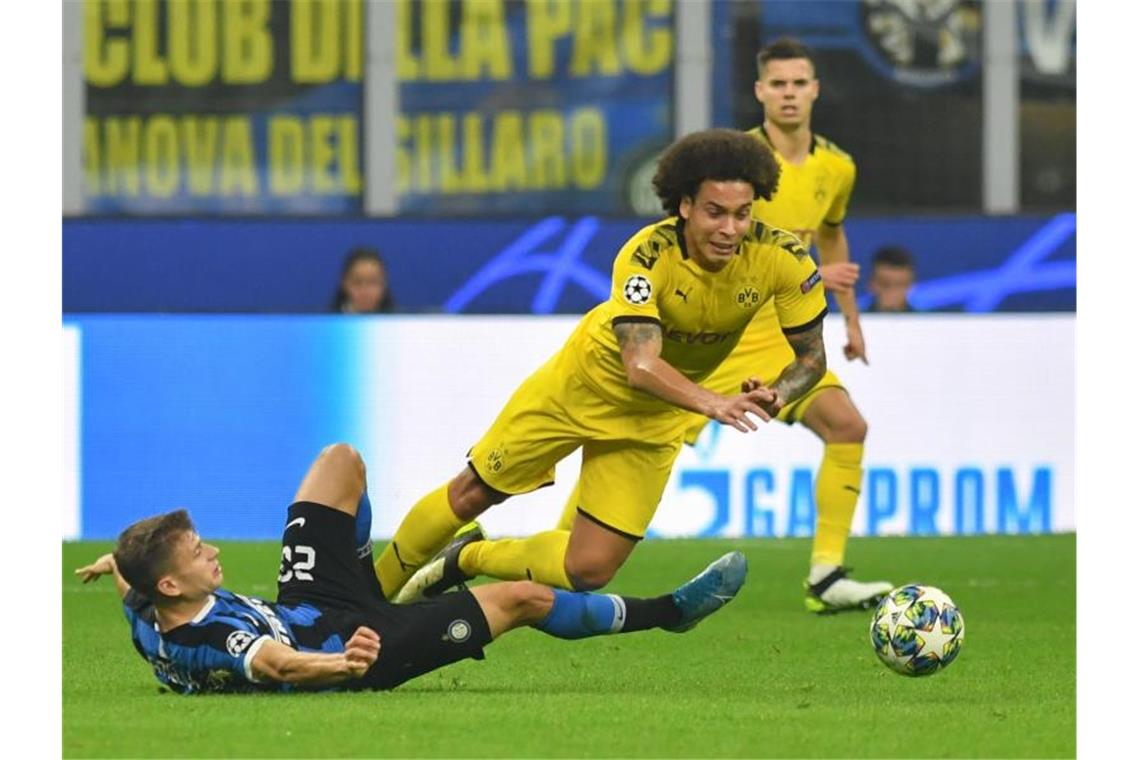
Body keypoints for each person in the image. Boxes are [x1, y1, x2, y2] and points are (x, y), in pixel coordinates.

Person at [376, 128, 828, 604]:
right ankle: (366, 598)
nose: (730, 229)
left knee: (589, 569)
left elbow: (812, 359)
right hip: (582, 385)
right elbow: (640, 364)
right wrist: (714, 402)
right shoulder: (645, 256)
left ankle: (466, 559)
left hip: (656, 415)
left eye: (742, 214)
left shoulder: (782, 258)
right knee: (473, 492)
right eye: (715, 212)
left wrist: (778, 393)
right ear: (685, 206)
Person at [542, 38, 888, 615]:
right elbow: (710, 243)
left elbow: (830, 235)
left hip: (782, 333)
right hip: (715, 332)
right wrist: (814, 269)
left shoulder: (838, 167)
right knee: (628, 438)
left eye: (799, 83)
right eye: (777, 84)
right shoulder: (736, 166)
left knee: (847, 425)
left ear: (815, 90)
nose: (789, 94)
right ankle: (558, 560)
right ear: (760, 92)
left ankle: (826, 575)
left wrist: (850, 321)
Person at [74, 444, 747, 695]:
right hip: (356, 647)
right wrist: (343, 666)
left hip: (309, 602)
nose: (212, 551)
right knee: (522, 598)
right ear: (175, 584)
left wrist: (117, 563)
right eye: (198, 553)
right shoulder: (214, 640)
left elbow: (136, 591)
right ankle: (669, 614)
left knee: (339, 464)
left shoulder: (149, 613)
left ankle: (394, 582)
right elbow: (277, 664)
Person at [331, 247, 394, 313]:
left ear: (384, 284)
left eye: (373, 282)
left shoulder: (398, 321)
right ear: (344, 284)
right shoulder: (327, 321)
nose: (365, 292)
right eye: (357, 282)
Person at [866, 246, 917, 313]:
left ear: (911, 285)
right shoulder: (853, 320)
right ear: (871, 284)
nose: (893, 293)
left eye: (900, 285)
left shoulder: (927, 321)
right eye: (885, 285)